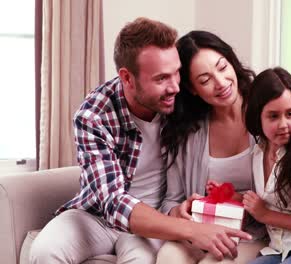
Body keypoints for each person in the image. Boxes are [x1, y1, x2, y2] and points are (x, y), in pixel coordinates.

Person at [29, 18, 250, 264]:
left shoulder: (183, 101)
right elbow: (112, 201)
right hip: (98, 216)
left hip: (156, 220)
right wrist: (191, 229)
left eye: (177, 73)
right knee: (45, 251)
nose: (175, 86)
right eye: (161, 78)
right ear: (127, 78)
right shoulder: (94, 114)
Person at [156, 30, 267, 264]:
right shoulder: (187, 133)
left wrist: (251, 209)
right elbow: (171, 201)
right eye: (205, 80)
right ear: (193, 89)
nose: (220, 82)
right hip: (200, 234)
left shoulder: (267, 115)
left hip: (252, 235)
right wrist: (180, 211)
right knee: (167, 258)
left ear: (232, 62)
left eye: (222, 67)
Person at [241, 67, 291, 264]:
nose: (284, 124)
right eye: (273, 116)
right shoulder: (257, 151)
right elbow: (268, 201)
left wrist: (265, 215)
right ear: (257, 116)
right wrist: (239, 199)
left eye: (290, 114)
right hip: (277, 248)